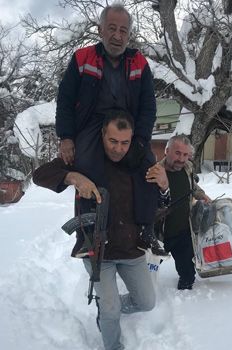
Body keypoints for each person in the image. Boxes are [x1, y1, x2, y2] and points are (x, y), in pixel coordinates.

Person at [33, 110, 166, 350]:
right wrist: (73, 177)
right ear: (102, 134)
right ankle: (111, 337)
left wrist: (164, 186)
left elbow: (159, 208)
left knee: (147, 302)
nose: (118, 149)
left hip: (131, 249)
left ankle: (106, 308)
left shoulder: (141, 161)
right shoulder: (85, 157)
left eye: (125, 142)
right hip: (97, 250)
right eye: (112, 141)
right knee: (110, 309)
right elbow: (39, 175)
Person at [55, 3, 159, 246]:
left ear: (129, 35)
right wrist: (66, 137)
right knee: (86, 166)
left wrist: (141, 139)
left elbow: (148, 106)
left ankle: (147, 228)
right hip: (93, 123)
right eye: (112, 28)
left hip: (126, 123)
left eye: (123, 30)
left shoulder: (139, 63)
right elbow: (65, 99)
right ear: (101, 30)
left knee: (147, 166)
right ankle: (88, 233)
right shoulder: (83, 58)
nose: (117, 35)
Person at [153, 135, 212, 290]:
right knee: (147, 272)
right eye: (177, 153)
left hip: (183, 231)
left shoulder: (188, 168)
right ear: (167, 151)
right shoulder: (155, 173)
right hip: (159, 234)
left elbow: (192, 186)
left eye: (185, 155)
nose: (181, 159)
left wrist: (202, 195)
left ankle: (186, 302)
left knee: (187, 276)